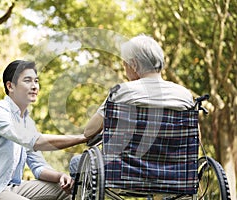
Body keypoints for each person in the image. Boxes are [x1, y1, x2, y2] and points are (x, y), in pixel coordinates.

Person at [0, 60, 88, 200]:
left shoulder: (27, 123)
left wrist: (60, 176)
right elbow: (36, 141)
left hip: (10, 187)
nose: (34, 86)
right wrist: (82, 137)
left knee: (65, 191)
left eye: (36, 81)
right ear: (10, 86)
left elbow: (38, 166)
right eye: (27, 80)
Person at [69, 34, 195, 177]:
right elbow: (195, 139)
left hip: (124, 173)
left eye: (125, 64)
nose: (125, 69)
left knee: (75, 163)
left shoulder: (121, 92)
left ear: (134, 64)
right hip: (173, 173)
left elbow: (89, 132)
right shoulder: (185, 96)